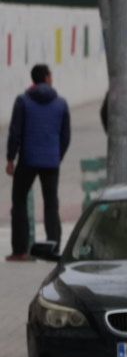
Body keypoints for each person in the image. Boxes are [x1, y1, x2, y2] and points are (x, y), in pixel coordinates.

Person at [7, 63, 70, 259]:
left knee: (19, 201)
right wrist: (57, 156)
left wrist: (10, 158)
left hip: (27, 160)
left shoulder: (23, 101)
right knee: (51, 204)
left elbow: (15, 132)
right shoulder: (61, 103)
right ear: (47, 78)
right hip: (51, 161)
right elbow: (66, 135)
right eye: (50, 75)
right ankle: (54, 248)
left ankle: (20, 251)